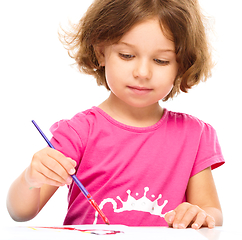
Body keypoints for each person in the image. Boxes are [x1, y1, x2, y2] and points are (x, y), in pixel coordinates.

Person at [7, 0, 225, 229]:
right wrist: (30, 179)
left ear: (182, 64)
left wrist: (198, 214)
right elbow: (20, 212)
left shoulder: (194, 135)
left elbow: (212, 213)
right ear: (101, 52)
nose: (142, 72)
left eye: (161, 60)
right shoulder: (79, 132)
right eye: (126, 55)